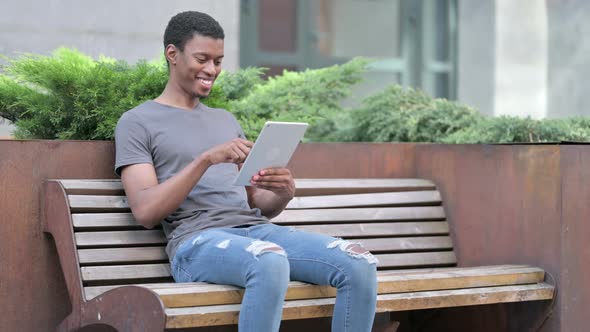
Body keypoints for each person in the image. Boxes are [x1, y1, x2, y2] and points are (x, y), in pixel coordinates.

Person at [115, 10, 377, 332]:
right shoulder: (137, 122)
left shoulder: (225, 120)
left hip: (254, 233)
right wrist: (204, 160)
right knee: (267, 260)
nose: (212, 70)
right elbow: (145, 211)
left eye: (219, 61)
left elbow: (256, 203)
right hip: (195, 243)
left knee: (358, 263)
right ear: (172, 54)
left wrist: (282, 193)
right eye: (203, 59)